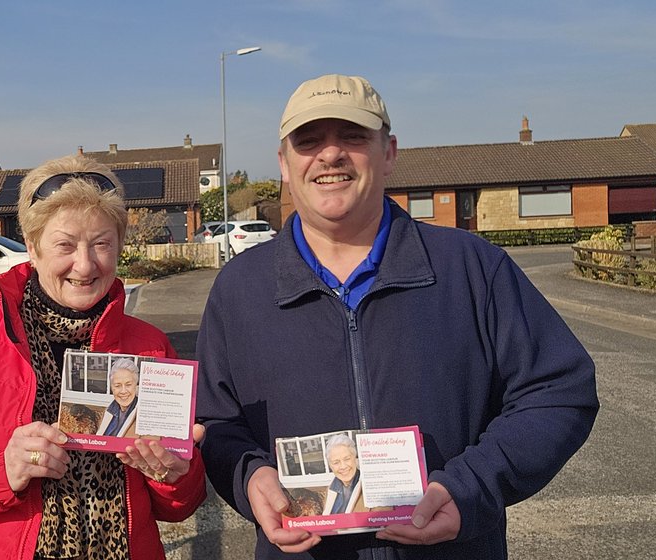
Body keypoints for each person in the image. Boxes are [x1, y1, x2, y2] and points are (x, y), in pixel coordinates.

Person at [195, 74, 599, 558]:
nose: (330, 155)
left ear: (388, 152)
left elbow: (559, 391)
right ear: (284, 163)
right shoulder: (238, 290)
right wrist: (248, 476)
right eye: (309, 141)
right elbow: (216, 422)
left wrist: (470, 486)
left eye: (352, 137)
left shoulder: (471, 268)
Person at [0, 154, 206, 560]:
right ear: (32, 247)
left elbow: (180, 506)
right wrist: (0, 471)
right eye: (65, 244)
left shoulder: (149, 348)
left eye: (101, 243)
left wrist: (174, 475)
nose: (85, 264)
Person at [97, 358, 140, 437]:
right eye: (117, 385)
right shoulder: (108, 411)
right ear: (111, 388)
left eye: (128, 385)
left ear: (136, 385)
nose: (123, 391)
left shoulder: (143, 415)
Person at [323, 435, 361, 515]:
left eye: (347, 459)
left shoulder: (370, 486)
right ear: (330, 465)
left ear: (355, 458)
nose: (343, 466)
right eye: (336, 462)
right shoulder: (330, 489)